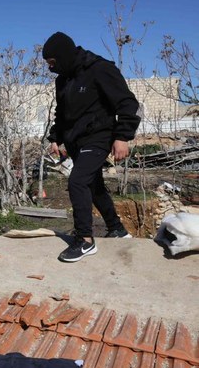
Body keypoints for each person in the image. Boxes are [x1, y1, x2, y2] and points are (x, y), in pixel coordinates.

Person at [42, 32, 140, 263]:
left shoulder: (100, 69)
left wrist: (123, 137)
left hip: (99, 136)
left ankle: (85, 239)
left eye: (53, 63)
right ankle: (117, 229)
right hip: (77, 141)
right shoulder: (63, 80)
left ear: (63, 56)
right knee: (94, 186)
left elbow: (127, 102)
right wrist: (55, 138)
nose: (51, 68)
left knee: (77, 181)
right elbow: (62, 113)